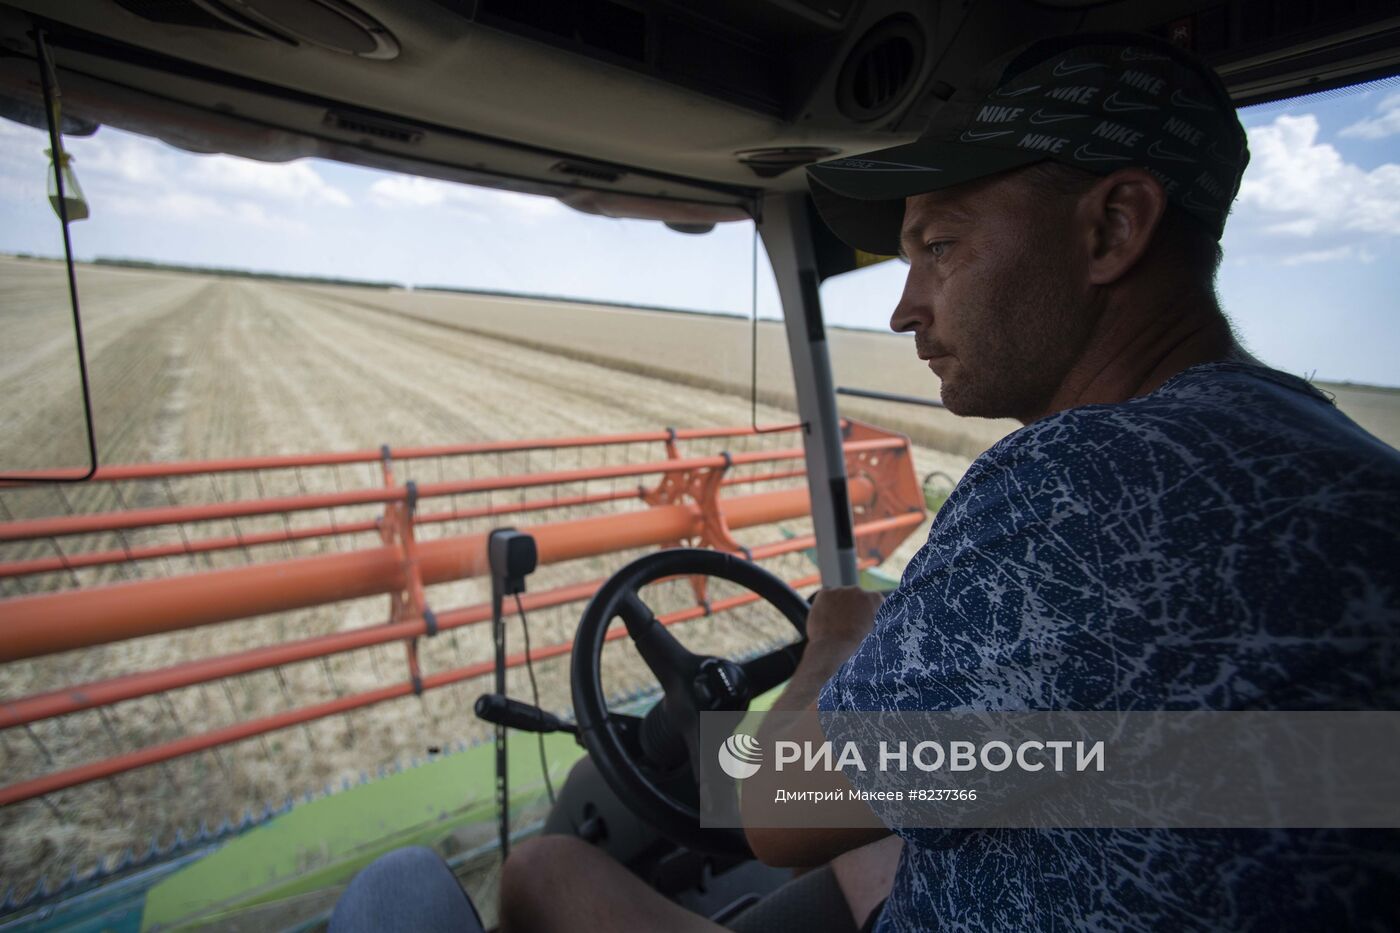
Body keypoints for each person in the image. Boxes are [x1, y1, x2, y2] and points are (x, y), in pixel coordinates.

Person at [346, 31, 1400, 931]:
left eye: (937, 245)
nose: (903, 309)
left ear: (1111, 229)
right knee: (875, 849)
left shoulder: (1079, 480)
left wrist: (840, 642)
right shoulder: (1334, 457)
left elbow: (781, 810)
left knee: (543, 873)